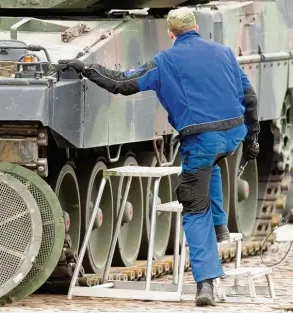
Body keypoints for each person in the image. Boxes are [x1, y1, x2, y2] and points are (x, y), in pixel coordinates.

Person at [59, 6, 260, 306]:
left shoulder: (164, 61)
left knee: (193, 205)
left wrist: (87, 69)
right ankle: (221, 226)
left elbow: (122, 84)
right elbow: (251, 98)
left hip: (202, 140)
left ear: (170, 33)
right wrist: (253, 139)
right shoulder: (225, 53)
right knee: (211, 166)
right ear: (195, 27)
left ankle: (205, 282)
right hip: (233, 136)